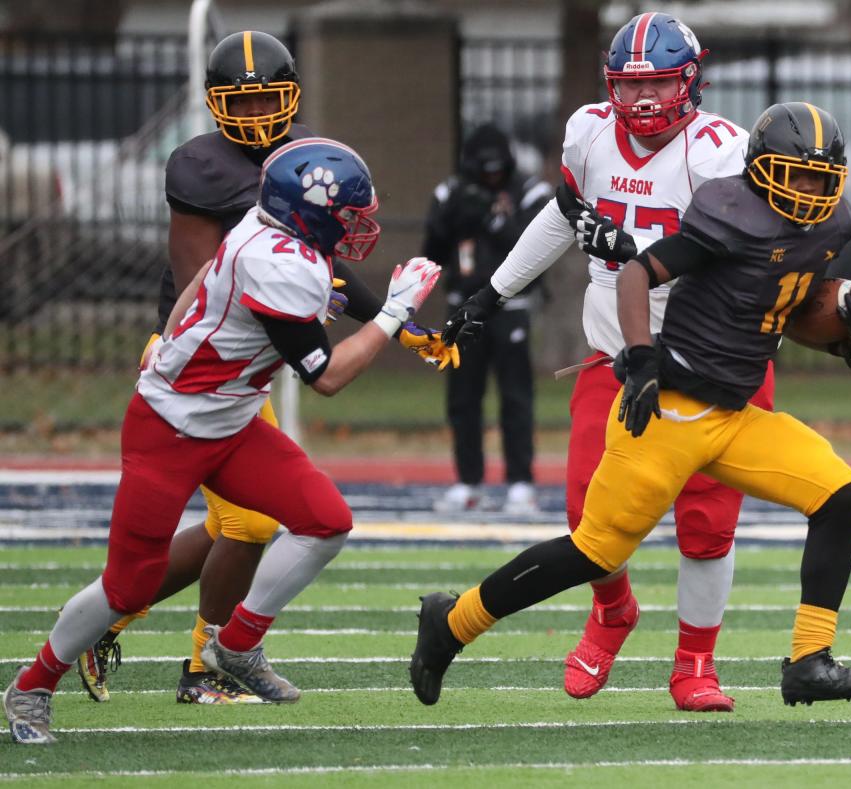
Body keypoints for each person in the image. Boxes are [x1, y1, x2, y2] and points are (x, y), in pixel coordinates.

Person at [412, 101, 851, 710]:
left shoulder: (831, 226)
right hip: (671, 409)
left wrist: (840, 329)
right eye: (797, 175)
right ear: (763, 169)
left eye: (821, 178)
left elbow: (773, 302)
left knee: (840, 493)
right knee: (594, 551)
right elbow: (636, 273)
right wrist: (638, 359)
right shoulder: (729, 213)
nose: (809, 191)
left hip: (735, 417)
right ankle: (451, 624)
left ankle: (809, 661)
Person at [3, 137, 443, 745]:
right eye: (349, 214)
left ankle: (235, 646)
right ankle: (30, 686)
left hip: (230, 421)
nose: (359, 226)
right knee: (128, 584)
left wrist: (172, 330)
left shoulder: (267, 231)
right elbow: (329, 377)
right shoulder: (280, 264)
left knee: (326, 520)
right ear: (311, 213)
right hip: (171, 430)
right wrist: (394, 313)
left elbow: (208, 274)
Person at [74, 30, 456, 706]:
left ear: (292, 98)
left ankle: (117, 625)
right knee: (249, 525)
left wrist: (402, 330)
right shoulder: (198, 166)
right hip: (199, 359)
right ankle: (202, 664)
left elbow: (329, 264)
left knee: (233, 526)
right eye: (240, 105)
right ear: (215, 104)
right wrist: (359, 322)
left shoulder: (304, 156)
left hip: (256, 356)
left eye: (266, 102)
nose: (254, 117)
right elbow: (202, 280)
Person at [441, 12, 773, 710]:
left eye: (658, 82)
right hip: (619, 352)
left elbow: (743, 264)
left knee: (706, 520)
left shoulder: (721, 153)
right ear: (610, 85)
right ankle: (613, 611)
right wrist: (492, 292)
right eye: (631, 84)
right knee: (589, 509)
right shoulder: (589, 132)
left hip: (714, 353)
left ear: (691, 80)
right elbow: (565, 214)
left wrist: (633, 254)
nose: (645, 99)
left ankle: (696, 663)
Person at [423, 123, 552, 514]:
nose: (492, 177)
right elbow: (433, 249)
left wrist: (497, 222)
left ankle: (520, 482)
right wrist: (461, 215)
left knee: (515, 396)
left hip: (510, 307)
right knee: (463, 398)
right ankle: (468, 481)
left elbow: (537, 245)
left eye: (498, 170)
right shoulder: (450, 192)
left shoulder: (531, 192)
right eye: (485, 171)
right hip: (463, 306)